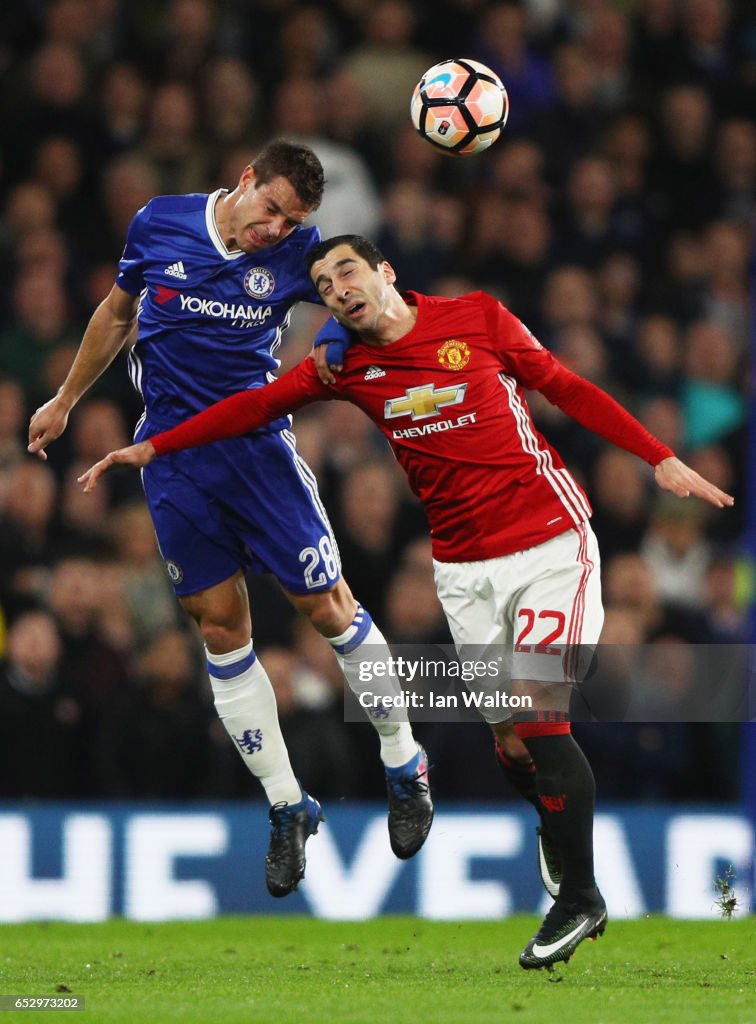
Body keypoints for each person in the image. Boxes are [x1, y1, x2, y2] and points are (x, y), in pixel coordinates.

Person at [76, 235, 733, 968]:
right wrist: (155, 448)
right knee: (511, 742)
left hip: (552, 544)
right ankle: (556, 827)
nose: (337, 288)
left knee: (540, 716)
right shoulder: (345, 365)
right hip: (460, 570)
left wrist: (660, 457)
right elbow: (254, 406)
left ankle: (579, 897)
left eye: (348, 270)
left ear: (386, 271)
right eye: (323, 284)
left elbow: (565, 386)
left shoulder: (478, 318)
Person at [27, 155, 433, 900]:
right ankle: (288, 807)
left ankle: (406, 765)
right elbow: (118, 313)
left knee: (327, 608)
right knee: (220, 630)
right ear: (245, 180)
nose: (274, 229)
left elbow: (356, 298)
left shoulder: (294, 254)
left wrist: (335, 340)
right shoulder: (159, 222)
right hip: (175, 460)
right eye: (271, 209)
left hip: (256, 451)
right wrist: (65, 400)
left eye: (291, 223)